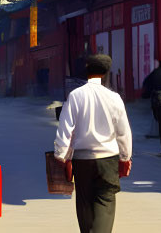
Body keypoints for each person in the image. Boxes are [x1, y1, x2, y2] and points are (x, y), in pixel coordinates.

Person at [53, 54, 133, 233]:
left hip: (82, 160)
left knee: (84, 203)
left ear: (86, 70)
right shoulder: (114, 98)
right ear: (106, 73)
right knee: (105, 202)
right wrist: (125, 157)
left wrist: (61, 155)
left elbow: (65, 128)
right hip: (108, 159)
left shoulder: (75, 96)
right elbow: (123, 132)